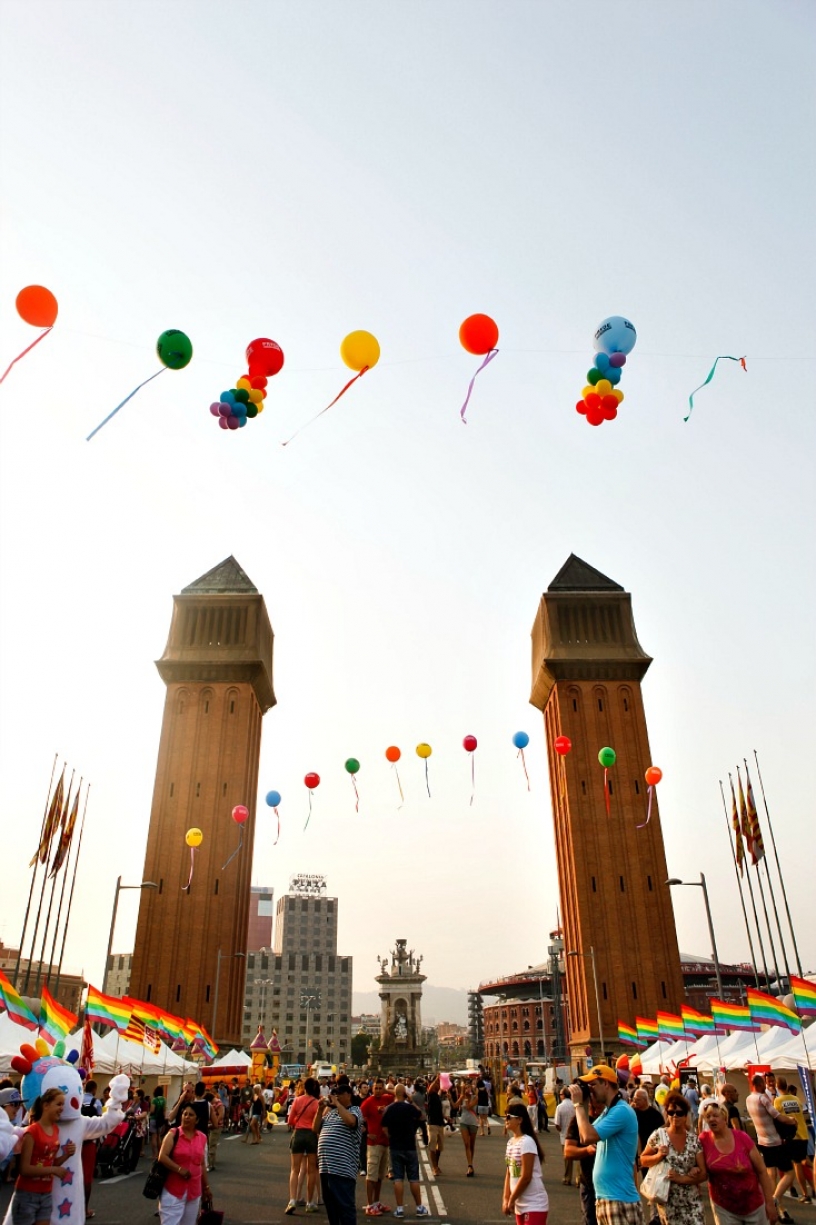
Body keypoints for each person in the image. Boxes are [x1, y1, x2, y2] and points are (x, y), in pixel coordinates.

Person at [569, 1063, 641, 1225]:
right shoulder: (609, 1111)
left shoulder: (621, 1111)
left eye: (593, 1085)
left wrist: (578, 1105)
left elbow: (588, 1136)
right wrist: (585, 1103)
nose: (591, 1089)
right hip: (606, 1198)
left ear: (606, 1084)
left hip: (619, 1199)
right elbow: (582, 1136)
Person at [698, 1099, 779, 1225]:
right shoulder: (703, 1140)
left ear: (725, 1119)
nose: (711, 1119)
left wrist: (769, 1203)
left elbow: (762, 1171)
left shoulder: (742, 1138)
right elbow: (698, 1165)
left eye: (715, 1116)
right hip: (724, 1208)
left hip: (753, 1205)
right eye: (708, 1117)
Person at [9, 1089, 75, 1225]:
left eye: (63, 1105)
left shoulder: (56, 1130)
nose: (62, 1109)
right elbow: (25, 1169)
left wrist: (67, 1155)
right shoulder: (32, 1131)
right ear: (46, 1105)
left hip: (46, 1194)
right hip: (27, 1195)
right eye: (59, 1104)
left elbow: (50, 1163)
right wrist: (53, 1170)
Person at [639, 1090, 706, 1225]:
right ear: (667, 1114)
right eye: (671, 1113)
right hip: (668, 1201)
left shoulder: (694, 1140)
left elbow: (704, 1174)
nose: (675, 1116)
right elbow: (643, 1160)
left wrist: (685, 1177)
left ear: (686, 1115)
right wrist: (658, 1156)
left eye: (679, 1113)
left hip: (692, 1201)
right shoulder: (659, 1135)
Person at [746, 1073, 795, 1222]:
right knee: (789, 1173)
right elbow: (777, 1116)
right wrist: (792, 1121)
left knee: (771, 1174)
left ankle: (778, 1208)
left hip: (763, 1141)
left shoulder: (748, 1099)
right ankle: (775, 1199)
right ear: (761, 1084)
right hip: (774, 1141)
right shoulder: (762, 1098)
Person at [314, 1083, 364, 1225]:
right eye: (334, 1095)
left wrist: (336, 1104)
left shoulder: (355, 1110)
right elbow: (315, 1128)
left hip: (342, 1170)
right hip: (326, 1169)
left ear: (348, 1095)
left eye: (339, 1095)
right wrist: (320, 1110)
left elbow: (351, 1122)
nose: (335, 1098)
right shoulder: (331, 1114)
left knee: (345, 1208)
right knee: (332, 1208)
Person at [157, 1103, 212, 1225]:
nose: (186, 1117)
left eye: (191, 1115)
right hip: (173, 1191)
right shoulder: (173, 1133)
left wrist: (206, 1187)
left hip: (194, 1192)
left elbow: (202, 1164)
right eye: (184, 1114)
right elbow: (162, 1157)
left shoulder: (202, 1137)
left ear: (197, 1120)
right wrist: (179, 1169)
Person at [381, 1085, 431, 1219]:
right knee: (414, 1178)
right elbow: (421, 1115)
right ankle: (419, 1207)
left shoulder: (389, 1109)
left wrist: (391, 1137)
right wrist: (411, 1101)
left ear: (394, 1094)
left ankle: (399, 1208)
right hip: (409, 1146)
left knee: (398, 1178)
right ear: (404, 1094)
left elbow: (384, 1128)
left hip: (396, 1146)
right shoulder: (409, 1108)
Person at [502, 1103, 548, 1225]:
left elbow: (526, 1176)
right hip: (519, 1203)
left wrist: (512, 1199)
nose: (505, 1120)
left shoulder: (527, 1142)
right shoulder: (511, 1142)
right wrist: (506, 1199)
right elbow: (509, 1173)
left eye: (508, 1117)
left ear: (519, 1120)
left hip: (534, 1203)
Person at [286, 1077, 321, 1215]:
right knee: (311, 1170)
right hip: (311, 1135)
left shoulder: (297, 1100)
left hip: (298, 1134)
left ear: (304, 1088)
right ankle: (310, 1202)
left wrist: (298, 1121)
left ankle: (292, 1200)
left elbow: (290, 1120)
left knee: (295, 1169)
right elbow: (317, 1123)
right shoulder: (317, 1103)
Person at [360, 1078, 395, 1215]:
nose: (379, 1091)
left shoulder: (387, 1099)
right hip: (373, 1144)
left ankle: (376, 1202)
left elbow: (399, 1095)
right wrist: (367, 1133)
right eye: (376, 1088)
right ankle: (369, 1205)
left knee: (380, 1176)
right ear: (371, 1089)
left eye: (381, 1088)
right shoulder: (368, 1102)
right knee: (371, 1176)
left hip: (385, 1142)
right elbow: (357, 1120)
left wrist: (386, 1089)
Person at [774, 1079, 812, 1205]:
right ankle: (813, 1188)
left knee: (797, 1165)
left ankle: (805, 1194)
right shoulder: (796, 1099)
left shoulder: (778, 1101)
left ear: (777, 1087)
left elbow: (776, 1117)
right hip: (803, 1134)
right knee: (804, 1161)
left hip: (793, 1135)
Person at [565, 1097, 599, 1225]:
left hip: (611, 1185)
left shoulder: (612, 1118)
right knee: (590, 1220)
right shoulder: (579, 1120)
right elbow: (568, 1151)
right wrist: (587, 1150)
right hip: (589, 1182)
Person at [456, 1081, 480, 1177]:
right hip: (464, 1122)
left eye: (469, 1088)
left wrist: (466, 1100)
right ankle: (469, 1165)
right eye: (466, 1088)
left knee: (472, 1145)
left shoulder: (475, 1098)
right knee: (466, 1144)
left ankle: (471, 1163)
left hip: (473, 1122)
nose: (467, 1089)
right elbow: (454, 1106)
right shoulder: (462, 1097)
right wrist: (450, 1099)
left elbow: (470, 1106)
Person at [555, 1086, 577, 1186]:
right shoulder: (575, 1105)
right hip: (576, 1134)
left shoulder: (559, 1107)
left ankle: (567, 1178)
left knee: (567, 1159)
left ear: (563, 1096)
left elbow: (557, 1124)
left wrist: (561, 1131)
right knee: (580, 1158)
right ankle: (579, 1179)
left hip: (564, 1135)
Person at [426, 1075, 445, 1176]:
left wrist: (446, 1117)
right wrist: (438, 1078)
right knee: (432, 1146)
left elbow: (439, 1110)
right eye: (436, 1084)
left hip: (440, 1123)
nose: (438, 1085)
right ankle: (434, 1167)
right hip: (432, 1123)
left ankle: (436, 1165)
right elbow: (430, 1088)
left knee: (440, 1147)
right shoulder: (430, 1094)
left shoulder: (437, 1096)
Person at [206, 1092, 223, 1171]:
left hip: (216, 1126)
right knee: (211, 1143)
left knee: (212, 1144)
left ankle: (210, 1164)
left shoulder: (218, 1103)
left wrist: (215, 1122)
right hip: (212, 1126)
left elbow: (221, 1115)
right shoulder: (214, 1103)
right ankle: (212, 1162)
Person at [150, 1086, 167, 1157]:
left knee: (153, 1137)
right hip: (160, 1120)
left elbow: (152, 1110)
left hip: (154, 1119)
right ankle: (160, 1153)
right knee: (159, 1136)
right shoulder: (164, 1099)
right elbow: (164, 1111)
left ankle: (154, 1154)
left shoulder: (154, 1100)